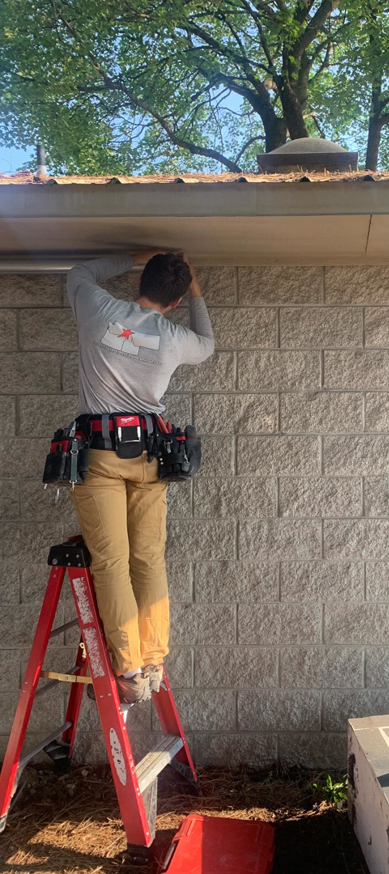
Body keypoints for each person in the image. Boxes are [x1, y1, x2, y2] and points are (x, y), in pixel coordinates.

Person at [66, 251, 214, 703]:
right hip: (151, 457)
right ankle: (152, 660)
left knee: (110, 562)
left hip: (99, 456)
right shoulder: (173, 337)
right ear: (172, 303)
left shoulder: (100, 309)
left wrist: (131, 257)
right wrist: (196, 290)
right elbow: (208, 343)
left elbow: (80, 272)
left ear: (139, 283)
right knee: (148, 559)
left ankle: (129, 671)